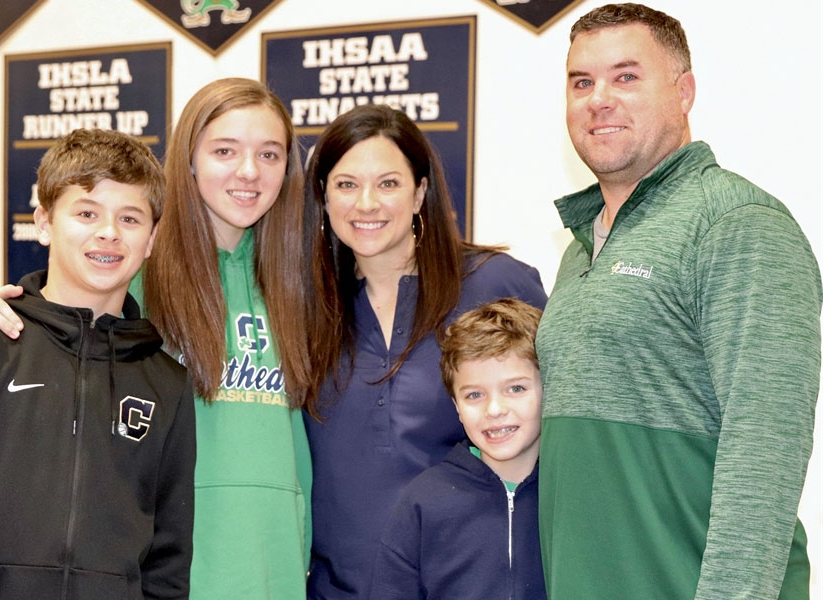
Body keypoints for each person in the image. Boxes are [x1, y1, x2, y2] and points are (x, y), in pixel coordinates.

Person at [0, 79, 313, 600]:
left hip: (262, 570)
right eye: (225, 150)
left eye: (269, 153)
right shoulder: (108, 284)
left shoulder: (300, 285)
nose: (248, 171)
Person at [536, 4, 822, 599]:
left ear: (684, 91)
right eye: (581, 82)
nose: (599, 98)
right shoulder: (580, 246)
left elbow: (765, 458)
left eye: (627, 76)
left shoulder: (738, 224)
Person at [0, 128, 196, 599]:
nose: (108, 231)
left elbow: (167, 562)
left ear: (152, 239)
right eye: (86, 213)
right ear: (45, 223)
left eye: (130, 218)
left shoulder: (166, 382)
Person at [301, 104, 548, 598]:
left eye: (388, 183)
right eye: (346, 184)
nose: (366, 203)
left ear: (420, 192)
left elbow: (567, 427)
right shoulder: (305, 309)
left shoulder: (495, 283)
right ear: (323, 199)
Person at [367, 298, 546, 600]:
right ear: (456, 406)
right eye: (474, 395)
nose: (494, 409)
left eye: (516, 388)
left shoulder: (571, 494)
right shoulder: (424, 501)